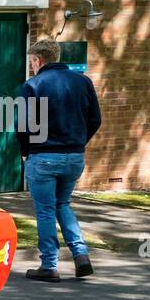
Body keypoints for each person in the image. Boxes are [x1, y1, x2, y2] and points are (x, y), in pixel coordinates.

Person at [18, 38, 101, 282]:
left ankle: (49, 266)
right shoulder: (83, 82)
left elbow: (23, 125)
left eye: (32, 62)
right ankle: (81, 255)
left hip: (43, 156)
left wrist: (26, 151)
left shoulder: (33, 84)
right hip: (74, 156)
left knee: (45, 211)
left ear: (38, 60)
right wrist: (77, 142)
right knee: (62, 205)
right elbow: (95, 119)